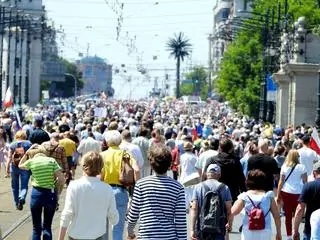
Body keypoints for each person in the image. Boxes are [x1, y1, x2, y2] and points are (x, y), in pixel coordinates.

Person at [127, 144, 187, 240]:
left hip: (146, 236)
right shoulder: (178, 187)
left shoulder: (141, 185)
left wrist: (130, 232)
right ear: (169, 165)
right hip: (169, 237)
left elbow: (133, 214)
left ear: (151, 163)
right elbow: (180, 221)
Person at [59, 152, 119, 240]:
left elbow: (67, 214)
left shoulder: (74, 186)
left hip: (76, 235)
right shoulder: (107, 189)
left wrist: (60, 238)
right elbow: (114, 218)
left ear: (84, 166)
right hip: (98, 235)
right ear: (101, 168)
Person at [100, 130, 140, 240]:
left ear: (107, 142)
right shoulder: (126, 154)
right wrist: (137, 188)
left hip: (104, 191)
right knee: (118, 227)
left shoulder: (102, 155)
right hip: (121, 191)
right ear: (119, 142)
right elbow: (136, 170)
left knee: (103, 226)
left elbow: (100, 175)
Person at [18, 148, 65, 240]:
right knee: (47, 226)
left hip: (36, 194)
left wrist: (26, 154)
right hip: (50, 194)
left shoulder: (31, 161)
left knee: (36, 227)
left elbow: (20, 165)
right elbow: (61, 179)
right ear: (44, 152)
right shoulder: (51, 161)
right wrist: (55, 187)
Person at [231, 170, 282, 240]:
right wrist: (278, 233)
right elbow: (276, 217)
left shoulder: (244, 196)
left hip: (248, 229)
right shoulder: (268, 196)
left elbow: (233, 212)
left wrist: (229, 223)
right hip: (265, 229)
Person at [190, 164, 232, 240]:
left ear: (206, 174)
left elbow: (194, 208)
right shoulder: (225, 188)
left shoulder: (198, 187)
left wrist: (192, 229)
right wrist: (230, 224)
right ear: (219, 175)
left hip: (202, 226)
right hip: (219, 227)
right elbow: (229, 209)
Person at [276, 149, 308, 240]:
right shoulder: (302, 167)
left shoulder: (284, 166)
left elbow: (281, 182)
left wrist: (278, 195)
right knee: (297, 214)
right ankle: (295, 231)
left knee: (288, 216)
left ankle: (289, 236)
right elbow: (305, 182)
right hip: (299, 193)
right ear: (297, 157)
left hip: (286, 193)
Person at [203, 137, 246, 203]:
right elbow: (241, 180)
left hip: (214, 195)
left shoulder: (211, 160)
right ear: (231, 148)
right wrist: (244, 194)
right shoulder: (235, 161)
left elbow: (204, 177)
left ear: (220, 147)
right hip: (232, 195)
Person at [293, 162, 320, 240]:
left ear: (314, 172)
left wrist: (295, 230)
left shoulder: (308, 186)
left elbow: (300, 209)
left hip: (311, 228)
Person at [6, 130, 32, 210]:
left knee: (14, 186)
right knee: (24, 185)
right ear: (24, 136)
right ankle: (22, 198)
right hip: (25, 167)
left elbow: (9, 157)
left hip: (14, 167)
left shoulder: (12, 144)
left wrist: (7, 169)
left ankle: (17, 203)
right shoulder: (29, 143)